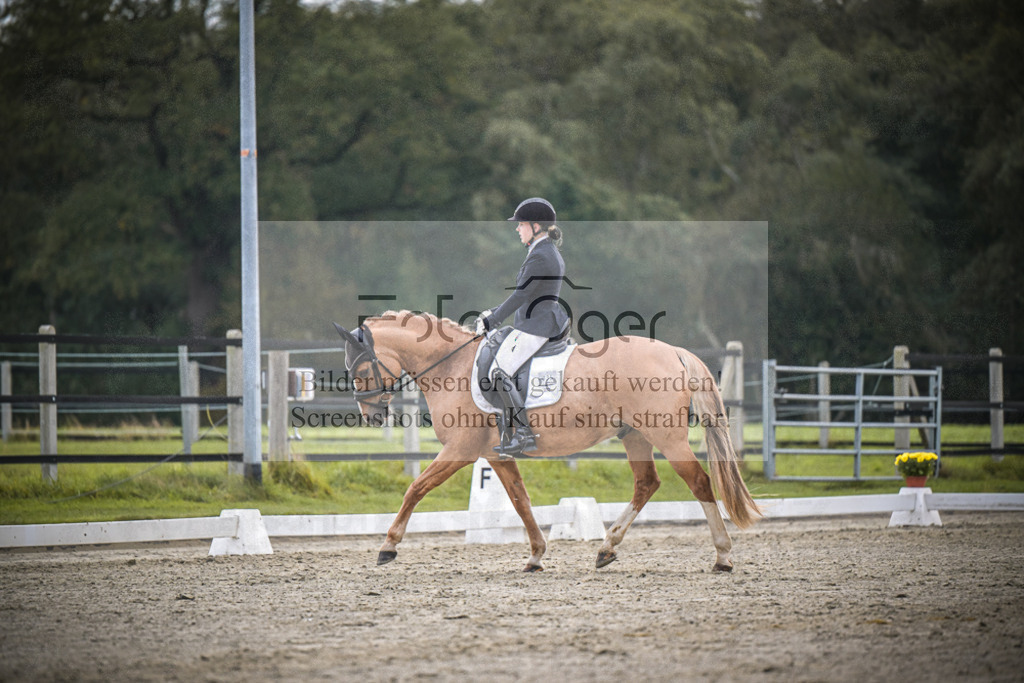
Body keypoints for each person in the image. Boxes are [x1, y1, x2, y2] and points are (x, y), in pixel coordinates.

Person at [475, 197, 570, 457]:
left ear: (536, 226)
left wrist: (491, 320)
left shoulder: (542, 256)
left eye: (521, 224)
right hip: (536, 321)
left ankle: (525, 435)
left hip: (537, 326)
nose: (517, 229)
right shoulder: (542, 251)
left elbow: (520, 296)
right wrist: (492, 312)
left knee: (499, 370)